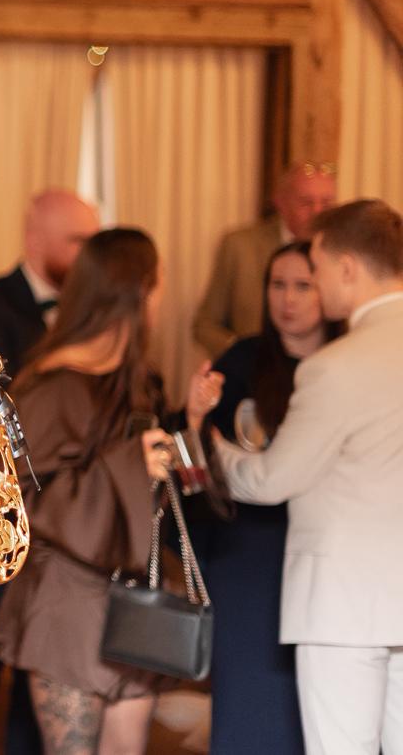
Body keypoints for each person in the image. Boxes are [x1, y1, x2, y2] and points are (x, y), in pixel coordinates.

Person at [0, 228, 204, 755]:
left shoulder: (138, 379)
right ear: (137, 290)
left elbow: (147, 477)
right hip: (68, 599)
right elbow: (24, 499)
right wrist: (131, 464)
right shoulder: (55, 384)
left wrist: (186, 424)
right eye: (158, 282)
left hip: (131, 595)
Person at [208, 200, 403, 755]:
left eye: (315, 269)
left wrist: (214, 452)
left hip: (343, 603)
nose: (311, 283)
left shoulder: (336, 366)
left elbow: (271, 480)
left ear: (347, 268)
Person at [0, 188, 99, 755]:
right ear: (36, 240)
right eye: (77, 239)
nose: (87, 253)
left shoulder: (91, 314)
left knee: (38, 694)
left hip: (56, 537)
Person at [184, 242, 342, 753]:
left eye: (303, 285)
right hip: (247, 552)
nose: (288, 300)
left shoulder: (347, 364)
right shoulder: (242, 359)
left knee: (323, 703)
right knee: (247, 698)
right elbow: (195, 463)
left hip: (329, 549)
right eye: (278, 285)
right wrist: (192, 418)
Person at [193, 163, 337, 358]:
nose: (317, 212)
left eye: (326, 203)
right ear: (280, 202)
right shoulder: (240, 246)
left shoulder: (344, 253)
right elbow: (205, 324)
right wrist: (244, 354)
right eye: (306, 202)